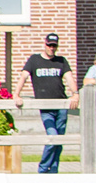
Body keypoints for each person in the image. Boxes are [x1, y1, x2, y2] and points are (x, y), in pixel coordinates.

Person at [24, 33, 72, 174]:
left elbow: (69, 78)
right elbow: (24, 76)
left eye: (54, 46)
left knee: (58, 140)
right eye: (49, 45)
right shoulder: (34, 60)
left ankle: (54, 169)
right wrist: (16, 94)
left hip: (61, 105)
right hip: (46, 107)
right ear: (44, 44)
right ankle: (43, 168)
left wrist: (75, 94)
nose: (51, 48)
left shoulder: (61, 61)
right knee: (52, 135)